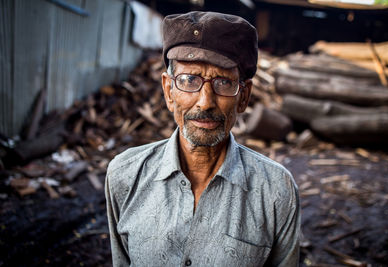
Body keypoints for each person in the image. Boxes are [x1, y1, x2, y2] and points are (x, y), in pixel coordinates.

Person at [105, 11, 300, 267]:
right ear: (168, 90)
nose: (205, 102)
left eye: (223, 82)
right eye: (188, 80)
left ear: (244, 96)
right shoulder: (125, 176)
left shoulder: (276, 191)